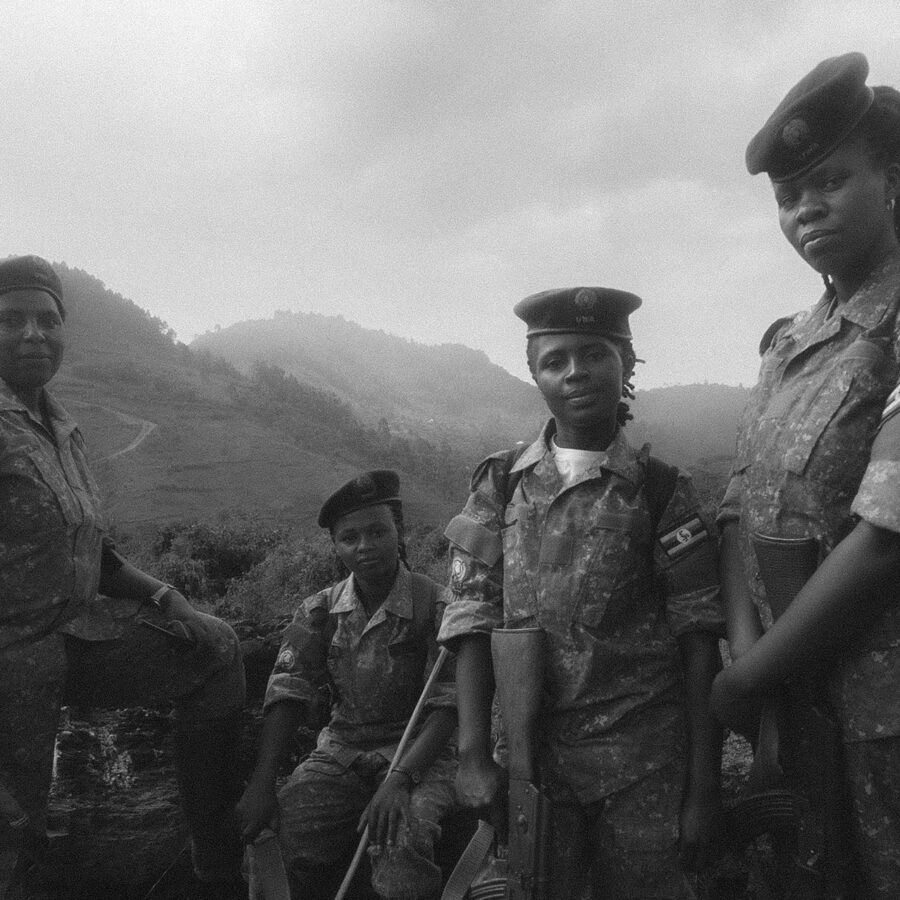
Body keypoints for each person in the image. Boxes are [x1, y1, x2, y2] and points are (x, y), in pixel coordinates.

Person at [438, 287, 724, 899]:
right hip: (531, 764)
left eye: (594, 354)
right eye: (555, 360)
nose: (576, 373)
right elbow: (469, 621)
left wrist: (704, 789)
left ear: (625, 361)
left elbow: (700, 645)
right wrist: (470, 756)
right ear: (535, 374)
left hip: (643, 766)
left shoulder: (662, 491)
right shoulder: (498, 483)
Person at [711, 52, 900, 898]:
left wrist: (750, 676)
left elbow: (888, 533)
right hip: (799, 714)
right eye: (789, 198)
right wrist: (753, 659)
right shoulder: (788, 343)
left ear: (890, 178)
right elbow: (737, 508)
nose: (805, 210)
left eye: (830, 181)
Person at [0, 254, 248, 898]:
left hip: (75, 639)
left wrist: (168, 596)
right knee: (13, 825)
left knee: (215, 647)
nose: (33, 335)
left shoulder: (61, 429)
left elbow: (94, 552)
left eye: (47, 320)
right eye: (11, 320)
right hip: (9, 662)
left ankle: (209, 853)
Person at [236, 470, 457, 900]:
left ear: (399, 532)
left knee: (401, 844)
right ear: (336, 547)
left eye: (377, 532)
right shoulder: (319, 611)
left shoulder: (437, 605)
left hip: (419, 754)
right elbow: (288, 691)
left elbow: (450, 705)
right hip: (341, 752)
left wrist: (400, 780)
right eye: (349, 538)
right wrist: (263, 784)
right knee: (273, 842)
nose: (364, 546)